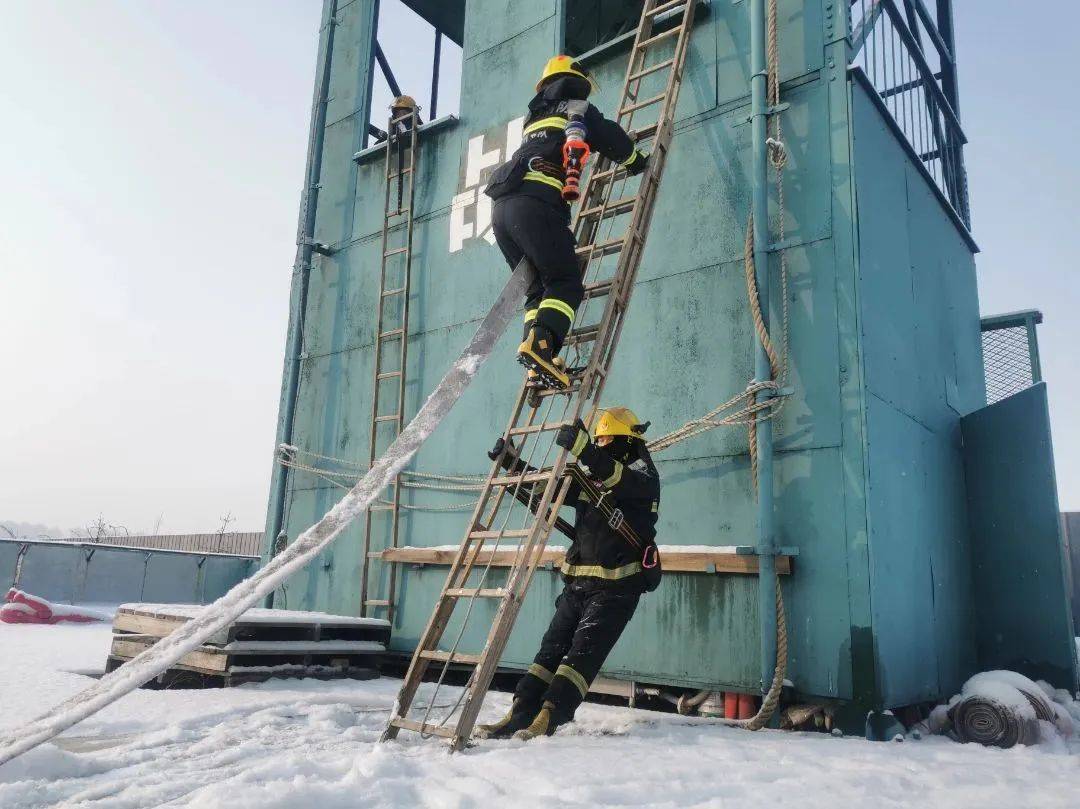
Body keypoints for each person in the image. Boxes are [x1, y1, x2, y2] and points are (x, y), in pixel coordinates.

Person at [476, 407, 662, 740]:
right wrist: (512, 464)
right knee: (549, 650)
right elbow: (551, 489)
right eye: (599, 441)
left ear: (627, 441)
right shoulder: (595, 477)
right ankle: (520, 713)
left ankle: (549, 716)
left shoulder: (643, 476)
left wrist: (586, 450)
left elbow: (620, 480)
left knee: (581, 656)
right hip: (578, 582)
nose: (602, 445)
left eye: (607, 440)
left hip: (616, 587)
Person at [484, 56, 650, 389]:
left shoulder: (533, 119)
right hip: (535, 207)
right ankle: (542, 346)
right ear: (577, 82)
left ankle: (535, 365)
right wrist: (635, 160)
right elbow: (609, 136)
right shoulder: (578, 108)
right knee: (565, 282)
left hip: (501, 212)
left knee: (537, 289)